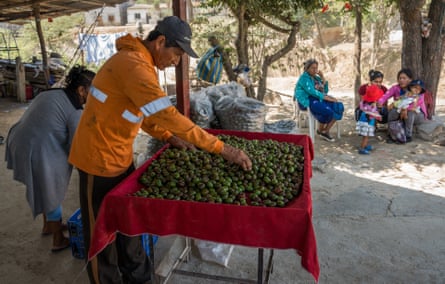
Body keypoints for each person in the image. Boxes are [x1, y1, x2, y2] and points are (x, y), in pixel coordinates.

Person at [68, 16, 252, 284]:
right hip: (97, 160)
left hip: (119, 155)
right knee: (100, 237)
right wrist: (222, 149)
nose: (176, 61)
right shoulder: (132, 65)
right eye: (177, 53)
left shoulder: (142, 64)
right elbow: (166, 114)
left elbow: (144, 114)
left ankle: (139, 278)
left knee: (128, 224)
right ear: (160, 42)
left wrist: (168, 137)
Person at [5, 65, 95, 252]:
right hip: (36, 147)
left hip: (19, 139)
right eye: (93, 91)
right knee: (52, 186)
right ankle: (57, 239)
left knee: (46, 185)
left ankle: (48, 225)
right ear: (81, 90)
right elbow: (75, 148)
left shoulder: (51, 93)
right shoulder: (75, 112)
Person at [294, 58, 344, 142]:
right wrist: (327, 98)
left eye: (316, 68)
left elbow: (325, 90)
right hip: (307, 100)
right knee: (327, 111)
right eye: (312, 68)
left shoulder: (316, 78)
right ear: (307, 68)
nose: (315, 70)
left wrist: (322, 76)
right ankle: (321, 131)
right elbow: (311, 91)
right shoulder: (304, 78)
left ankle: (324, 131)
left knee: (339, 107)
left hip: (319, 98)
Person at [377, 68, 427, 143]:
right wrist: (380, 102)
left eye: (404, 78)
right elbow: (385, 96)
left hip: (417, 114)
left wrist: (405, 109)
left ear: (410, 79)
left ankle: (408, 135)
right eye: (400, 78)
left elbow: (416, 104)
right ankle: (391, 134)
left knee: (410, 113)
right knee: (393, 111)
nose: (401, 80)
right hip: (401, 111)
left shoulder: (418, 89)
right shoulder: (395, 88)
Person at [356, 85, 384, 154]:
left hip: (363, 122)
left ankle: (365, 145)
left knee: (365, 136)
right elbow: (373, 113)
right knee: (366, 137)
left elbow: (363, 109)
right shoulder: (372, 105)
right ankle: (362, 148)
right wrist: (378, 117)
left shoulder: (363, 102)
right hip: (367, 123)